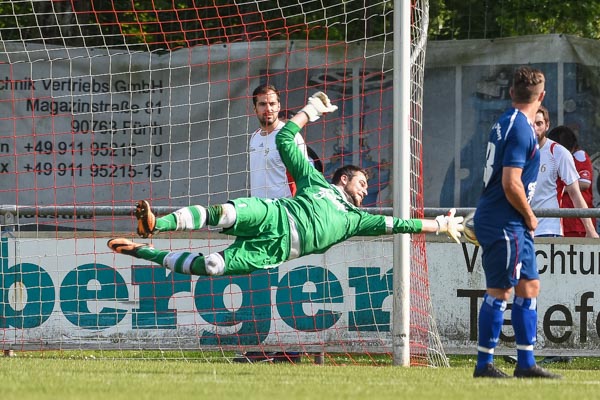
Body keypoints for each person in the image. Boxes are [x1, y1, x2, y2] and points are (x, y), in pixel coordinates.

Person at [107, 91, 463, 279]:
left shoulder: (358, 220)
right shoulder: (317, 182)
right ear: (343, 178)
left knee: (213, 266)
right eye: (362, 181)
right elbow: (286, 138)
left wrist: (442, 225)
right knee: (226, 212)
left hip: (275, 251)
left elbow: (400, 224)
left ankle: (144, 252)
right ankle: (157, 224)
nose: (365, 189)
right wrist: (310, 111)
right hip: (273, 214)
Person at [472, 66, 561, 379]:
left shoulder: (507, 121)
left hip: (510, 221)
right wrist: (530, 215)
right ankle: (484, 365)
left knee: (530, 286)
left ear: (511, 92)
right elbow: (512, 183)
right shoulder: (522, 129)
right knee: (500, 290)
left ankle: (526, 363)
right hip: (505, 220)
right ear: (542, 96)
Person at [531, 109, 598, 238]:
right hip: (518, 231)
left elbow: (576, 193)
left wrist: (590, 229)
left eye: (539, 123)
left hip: (547, 230)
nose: (535, 128)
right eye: (531, 123)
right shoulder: (515, 152)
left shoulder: (558, 152)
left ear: (547, 125)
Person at [249, 84, 309, 199]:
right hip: (259, 210)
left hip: (284, 209)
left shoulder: (291, 137)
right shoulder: (254, 137)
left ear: (279, 106)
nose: (268, 109)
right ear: (255, 109)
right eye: (262, 104)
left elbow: (305, 175)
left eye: (272, 104)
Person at [548, 125, 597, 237]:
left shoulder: (580, 156)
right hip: (562, 224)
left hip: (578, 224)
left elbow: (585, 183)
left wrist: (557, 187)